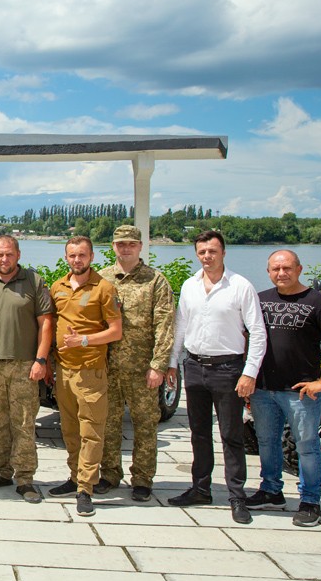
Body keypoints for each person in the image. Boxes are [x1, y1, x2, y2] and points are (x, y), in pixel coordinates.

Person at [167, 230, 267, 525]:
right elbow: (181, 326)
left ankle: (237, 496)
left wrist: (250, 372)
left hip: (228, 369)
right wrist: (173, 363)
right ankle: (200, 488)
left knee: (231, 435)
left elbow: (258, 332)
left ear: (223, 252)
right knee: (198, 433)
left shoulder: (240, 286)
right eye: (202, 252)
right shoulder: (190, 286)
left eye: (212, 251)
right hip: (195, 367)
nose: (207, 256)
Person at [248, 249, 321, 527]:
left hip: (301, 391)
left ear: (299, 269)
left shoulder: (318, 302)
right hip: (263, 388)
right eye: (275, 269)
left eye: (287, 268)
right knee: (267, 443)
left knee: (306, 446)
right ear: (268, 271)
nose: (282, 273)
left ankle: (310, 501)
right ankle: (271, 490)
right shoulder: (260, 300)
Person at [96, 225, 175, 502]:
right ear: (113, 247)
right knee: (109, 424)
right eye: (120, 244)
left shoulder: (155, 280)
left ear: (141, 246)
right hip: (109, 367)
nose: (125, 248)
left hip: (143, 370)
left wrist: (159, 365)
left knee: (145, 425)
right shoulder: (103, 278)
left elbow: (165, 325)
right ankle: (109, 474)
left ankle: (142, 478)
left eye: (131, 244)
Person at [0, 236, 54, 503]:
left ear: (18, 254)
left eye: (9, 254)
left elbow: (46, 324)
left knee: (23, 423)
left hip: (24, 366)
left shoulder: (34, 281)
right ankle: (2, 471)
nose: (4, 259)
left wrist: (41, 360)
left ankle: (26, 478)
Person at [48, 236, 122, 517]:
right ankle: (74, 477)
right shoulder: (59, 286)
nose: (77, 260)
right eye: (72, 255)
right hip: (63, 371)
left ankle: (86, 489)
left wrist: (84, 341)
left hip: (90, 371)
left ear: (92, 256)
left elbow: (116, 331)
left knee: (91, 431)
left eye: (82, 255)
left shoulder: (104, 288)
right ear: (66, 257)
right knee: (69, 429)